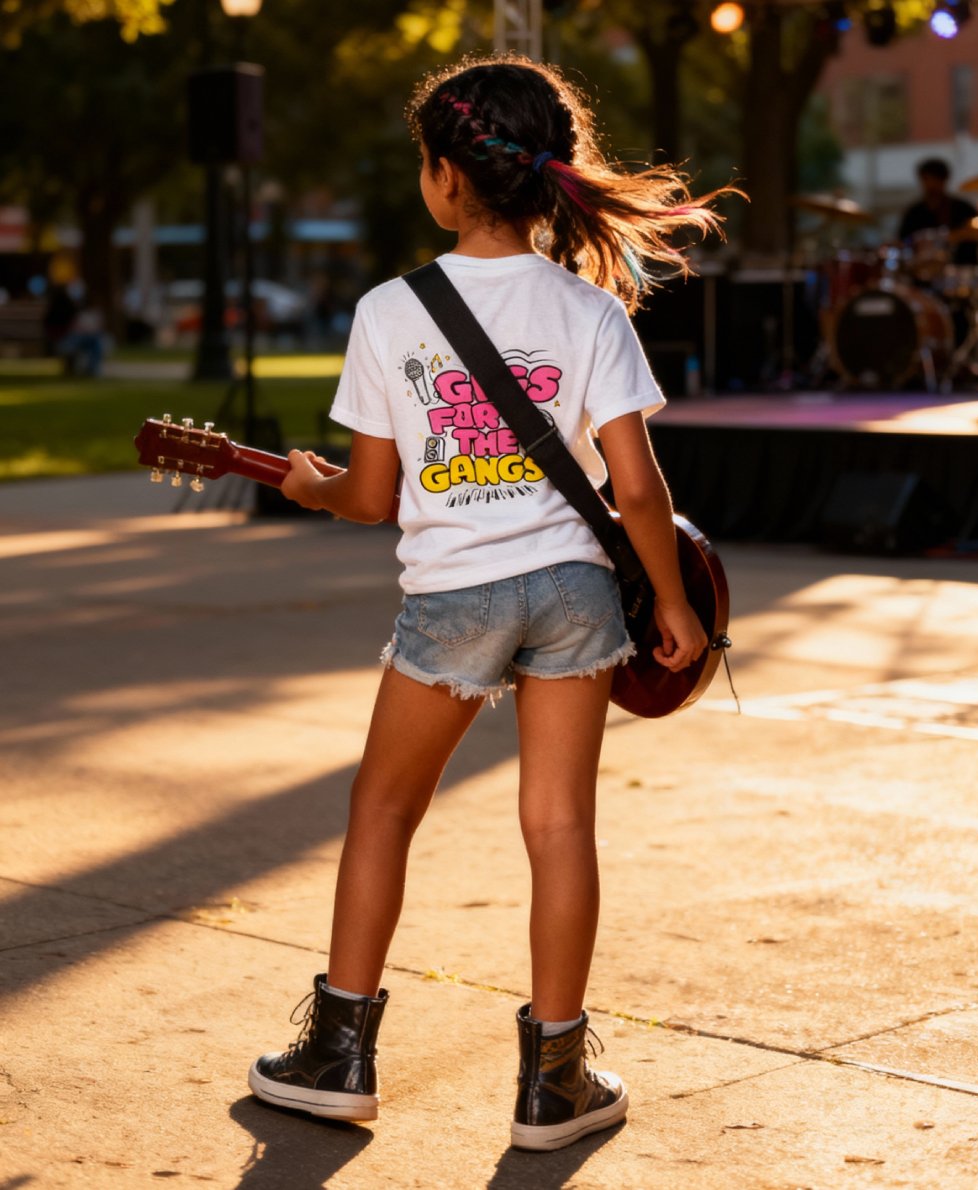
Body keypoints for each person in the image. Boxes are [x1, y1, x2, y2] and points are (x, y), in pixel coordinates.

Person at [247, 55, 731, 1152]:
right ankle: (555, 1079)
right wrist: (678, 606)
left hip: (453, 598)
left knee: (382, 810)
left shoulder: (388, 312)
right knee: (559, 827)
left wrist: (307, 482)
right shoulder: (591, 309)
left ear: (444, 178)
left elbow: (371, 499)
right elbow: (638, 489)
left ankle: (338, 1055)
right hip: (573, 592)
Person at [899, 157, 978, 268]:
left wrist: (957, 236)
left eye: (935, 179)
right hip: (922, 273)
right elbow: (902, 241)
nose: (931, 185)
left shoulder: (963, 208)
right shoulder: (914, 212)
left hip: (962, 269)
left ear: (945, 180)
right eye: (926, 179)